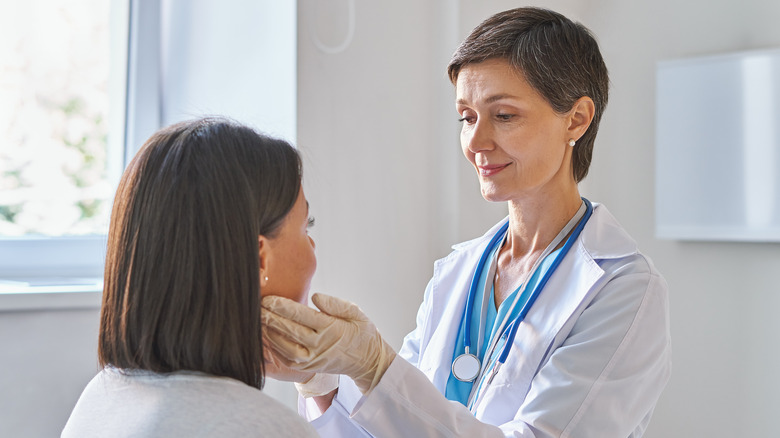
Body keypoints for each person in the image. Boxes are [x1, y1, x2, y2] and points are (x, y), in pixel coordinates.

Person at [261, 7, 671, 438]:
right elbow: (395, 428)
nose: (475, 142)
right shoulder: (457, 271)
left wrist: (376, 367)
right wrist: (323, 382)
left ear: (577, 119)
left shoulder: (622, 289)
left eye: (504, 115)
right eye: (467, 117)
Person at [62, 118, 318, 437]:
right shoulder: (264, 427)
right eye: (306, 227)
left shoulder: (101, 397)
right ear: (259, 259)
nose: (312, 248)